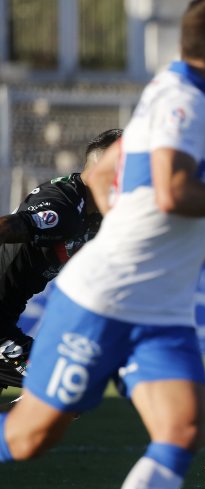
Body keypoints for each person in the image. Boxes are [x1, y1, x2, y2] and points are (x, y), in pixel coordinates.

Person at [0, 1, 205, 489]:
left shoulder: (175, 94)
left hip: (159, 306)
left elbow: (100, 172)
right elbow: (173, 193)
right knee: (30, 437)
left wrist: (119, 204)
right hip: (108, 296)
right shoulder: (184, 103)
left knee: (180, 428)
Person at [0, 128, 122, 401]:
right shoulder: (63, 204)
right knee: (66, 391)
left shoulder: (101, 214)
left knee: (65, 394)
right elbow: (8, 227)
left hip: (6, 318)